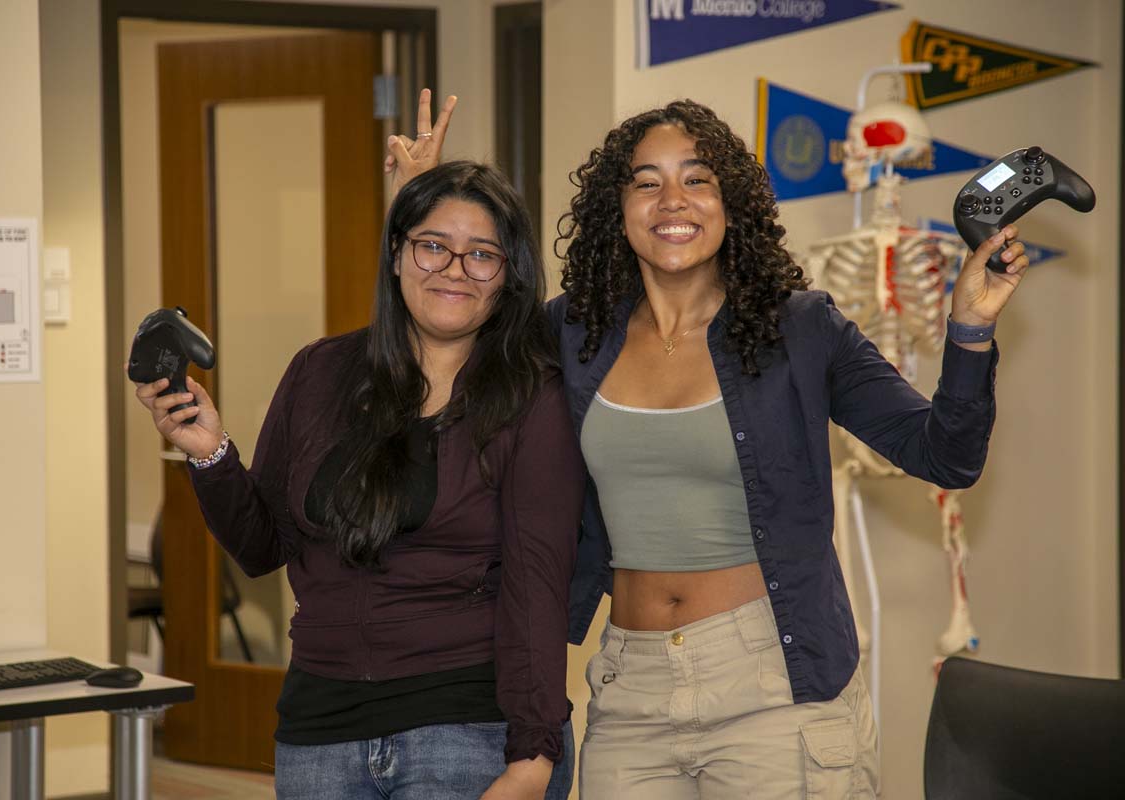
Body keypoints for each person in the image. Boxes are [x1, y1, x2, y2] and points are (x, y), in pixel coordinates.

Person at [548, 100, 1026, 799]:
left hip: (773, 681)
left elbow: (946, 455)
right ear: (616, 209)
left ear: (732, 203)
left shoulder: (801, 329)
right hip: (630, 687)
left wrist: (970, 330)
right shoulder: (569, 334)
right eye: (646, 182)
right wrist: (422, 206)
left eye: (697, 179)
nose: (671, 200)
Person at [133, 96, 584, 799]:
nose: (454, 270)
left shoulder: (531, 395)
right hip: (319, 734)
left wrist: (533, 753)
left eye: (483, 255)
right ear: (398, 254)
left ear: (509, 277)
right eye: (433, 245)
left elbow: (537, 583)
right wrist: (210, 453)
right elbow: (262, 548)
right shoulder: (321, 371)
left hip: (467, 733)